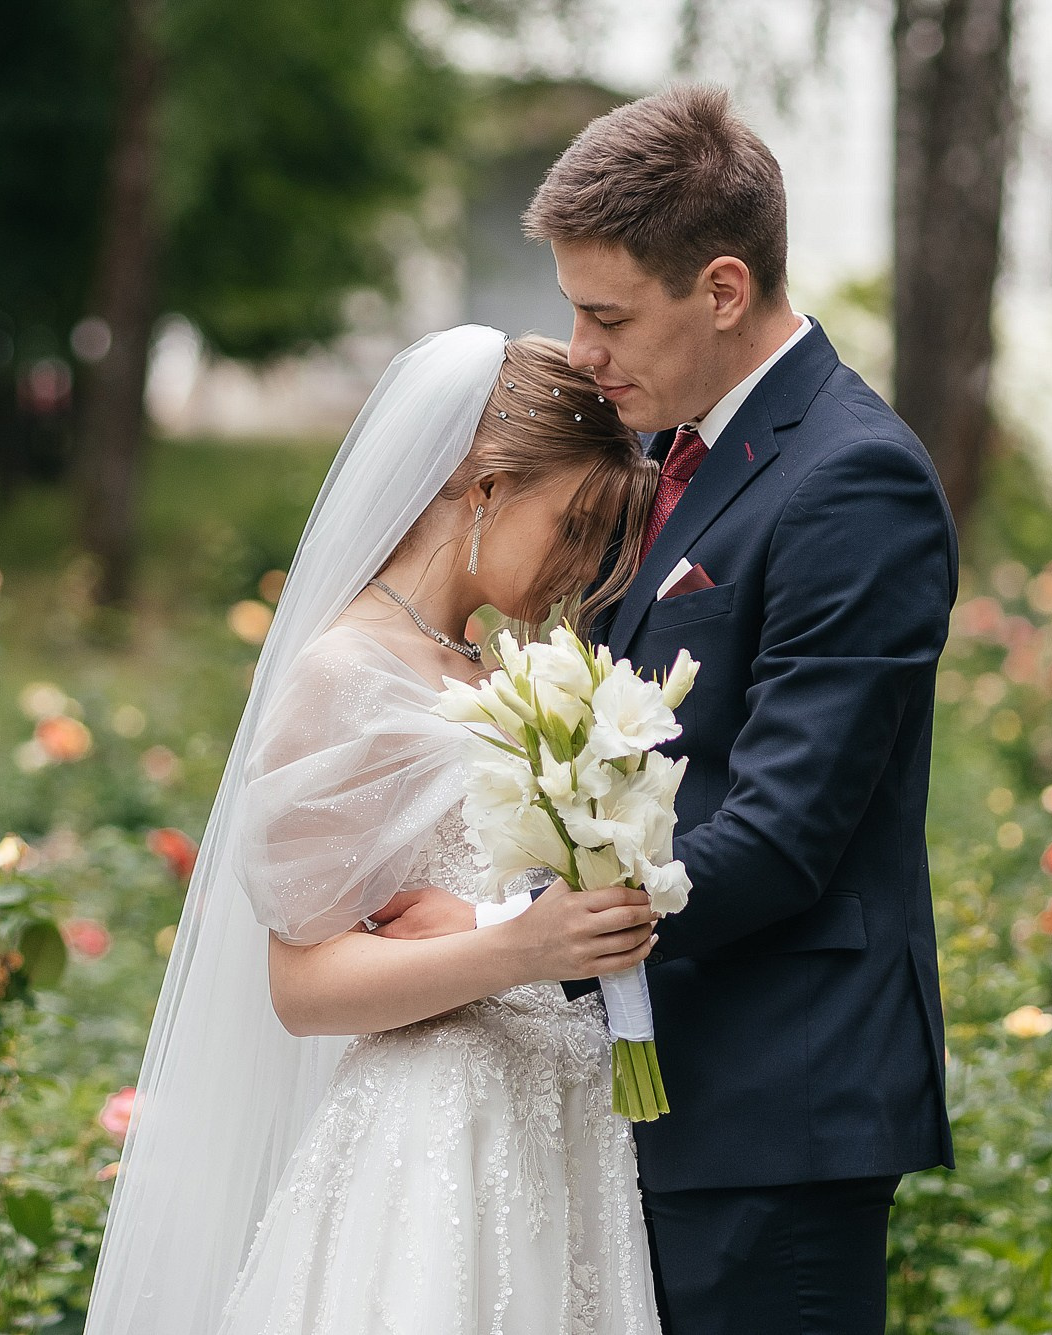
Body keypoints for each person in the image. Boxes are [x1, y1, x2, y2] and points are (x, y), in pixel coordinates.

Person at [379, 85, 960, 1334]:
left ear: (721, 286)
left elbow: (784, 832)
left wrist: (508, 930)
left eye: (606, 316)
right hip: (643, 1089)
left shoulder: (853, 480)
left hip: (772, 1107)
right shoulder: (671, 457)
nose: (581, 352)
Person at [82, 329, 671, 1334]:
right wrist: (523, 945)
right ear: (482, 491)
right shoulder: (347, 675)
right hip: (437, 1136)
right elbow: (302, 986)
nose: (583, 566)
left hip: (564, 1128)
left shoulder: (501, 670)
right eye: (572, 525)